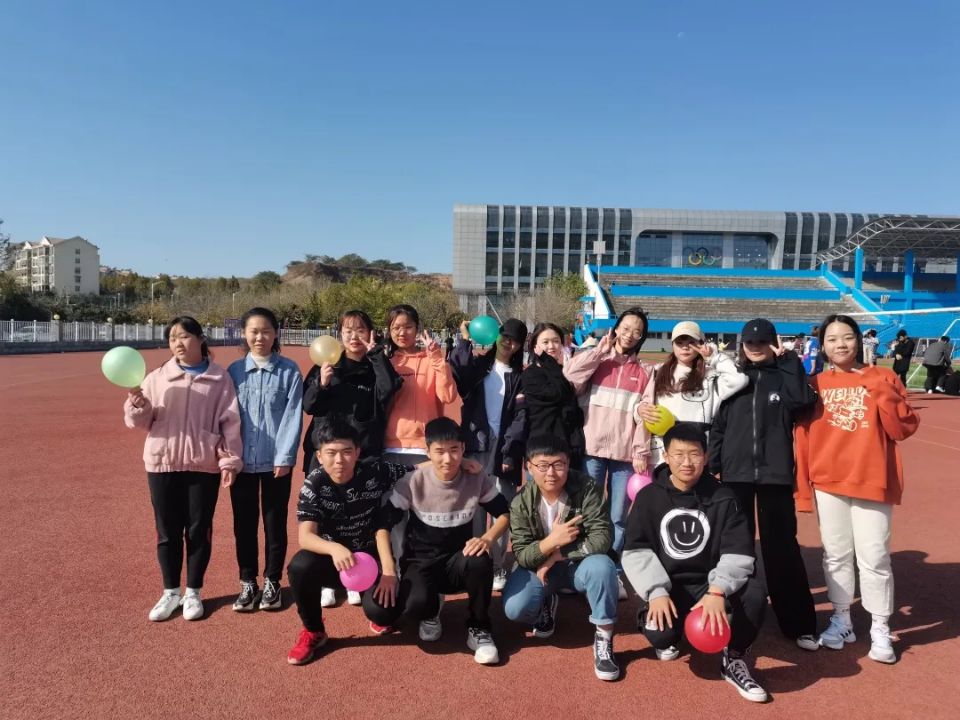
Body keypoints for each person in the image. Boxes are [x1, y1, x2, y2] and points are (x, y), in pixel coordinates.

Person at [795, 315, 920, 664]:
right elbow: (802, 439)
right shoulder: (814, 384)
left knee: (874, 557)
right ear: (823, 345)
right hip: (828, 482)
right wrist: (803, 489)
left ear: (859, 340)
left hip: (871, 479)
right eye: (832, 339)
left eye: (847, 337)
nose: (841, 344)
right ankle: (842, 620)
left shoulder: (884, 377)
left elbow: (903, 428)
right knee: (835, 555)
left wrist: (878, 388)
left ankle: (880, 627)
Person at [623, 424, 768, 703]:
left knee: (754, 593)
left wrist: (717, 591)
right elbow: (636, 550)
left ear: (705, 456)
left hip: (709, 584)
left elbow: (739, 551)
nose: (687, 462)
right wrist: (656, 592)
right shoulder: (649, 497)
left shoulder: (724, 497)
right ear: (666, 456)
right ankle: (666, 628)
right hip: (669, 586)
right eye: (678, 454)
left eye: (694, 454)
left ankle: (734, 657)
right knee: (660, 635)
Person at [708, 318, 820, 651]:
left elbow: (803, 401)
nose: (755, 348)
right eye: (749, 343)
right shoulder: (735, 380)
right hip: (735, 474)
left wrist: (789, 361)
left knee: (781, 547)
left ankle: (799, 624)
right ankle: (736, 613)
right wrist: (715, 464)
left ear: (774, 344)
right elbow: (719, 425)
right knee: (734, 545)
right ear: (742, 345)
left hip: (775, 474)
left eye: (762, 343)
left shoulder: (784, 376)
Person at [124, 316, 243, 622]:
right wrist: (137, 405)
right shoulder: (157, 377)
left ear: (201, 339)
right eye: (173, 338)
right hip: (162, 463)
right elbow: (140, 422)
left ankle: (193, 592)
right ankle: (170, 592)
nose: (178, 343)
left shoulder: (219, 379)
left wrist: (230, 460)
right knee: (167, 532)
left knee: (199, 531)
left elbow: (230, 422)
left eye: (185, 336)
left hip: (203, 465)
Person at [367, 418, 509, 665]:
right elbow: (382, 526)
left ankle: (479, 628)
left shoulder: (476, 478)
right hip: (420, 563)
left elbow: (504, 513)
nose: (447, 458)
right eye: (440, 451)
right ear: (428, 451)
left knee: (480, 560)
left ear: (463, 449)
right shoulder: (412, 481)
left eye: (454, 450)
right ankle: (430, 610)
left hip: (457, 561)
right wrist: (389, 571)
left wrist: (487, 538)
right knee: (403, 608)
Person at [285, 417, 413, 665]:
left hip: (370, 561)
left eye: (346, 452)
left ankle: (376, 611)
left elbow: (420, 469)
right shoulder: (314, 484)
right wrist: (334, 548)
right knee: (300, 567)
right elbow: (305, 537)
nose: (339, 460)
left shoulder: (375, 471)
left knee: (385, 614)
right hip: (333, 561)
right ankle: (314, 631)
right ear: (319, 456)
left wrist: (459, 461)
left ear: (357, 452)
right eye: (331, 453)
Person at [502, 436, 620, 681]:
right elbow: (522, 554)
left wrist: (556, 555)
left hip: (578, 565)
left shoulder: (586, 487)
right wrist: (551, 541)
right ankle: (546, 601)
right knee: (515, 608)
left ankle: (604, 637)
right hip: (539, 568)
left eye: (558, 464)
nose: (551, 473)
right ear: (529, 467)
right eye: (543, 465)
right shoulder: (521, 501)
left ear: (568, 464)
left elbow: (602, 537)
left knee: (603, 567)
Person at [564, 307, 654, 598]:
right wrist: (597, 352)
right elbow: (569, 375)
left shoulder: (645, 372)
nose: (630, 335)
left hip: (625, 454)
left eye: (637, 331)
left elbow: (646, 416)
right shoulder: (597, 360)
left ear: (642, 337)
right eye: (626, 328)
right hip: (592, 448)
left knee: (617, 516)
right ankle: (583, 563)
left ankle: (612, 570)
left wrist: (641, 451)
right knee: (587, 511)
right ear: (616, 329)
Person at [227, 307, 304, 612]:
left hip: (275, 462)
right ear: (244, 334)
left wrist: (284, 456)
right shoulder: (233, 372)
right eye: (254, 331)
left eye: (266, 331)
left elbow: (292, 416)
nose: (260, 337)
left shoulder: (289, 371)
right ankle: (247, 582)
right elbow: (226, 417)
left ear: (276, 334)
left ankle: (272, 581)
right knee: (243, 524)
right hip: (242, 462)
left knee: (274, 523)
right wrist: (229, 456)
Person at [449, 317, 528, 591]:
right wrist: (464, 340)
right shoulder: (479, 365)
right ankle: (474, 561)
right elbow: (458, 372)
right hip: (476, 442)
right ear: (496, 335)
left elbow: (520, 418)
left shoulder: (520, 377)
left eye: (515, 340)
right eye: (505, 336)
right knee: (473, 506)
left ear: (520, 345)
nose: (508, 343)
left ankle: (496, 565)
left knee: (501, 506)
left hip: (505, 446)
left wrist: (509, 452)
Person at [636, 321, 747, 467]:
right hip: (662, 455)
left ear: (701, 344)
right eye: (679, 342)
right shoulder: (657, 372)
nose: (685, 347)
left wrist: (714, 357)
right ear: (672, 345)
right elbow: (639, 403)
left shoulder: (711, 376)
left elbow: (739, 379)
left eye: (691, 342)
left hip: (695, 455)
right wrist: (639, 409)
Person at [382, 304, 459, 464]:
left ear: (417, 328)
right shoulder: (386, 364)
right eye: (396, 328)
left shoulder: (432, 361)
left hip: (427, 445)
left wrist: (437, 359)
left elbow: (448, 396)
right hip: (391, 446)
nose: (402, 333)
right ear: (389, 331)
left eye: (408, 327)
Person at [521, 322, 585, 467]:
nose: (552, 346)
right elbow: (557, 393)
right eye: (545, 342)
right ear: (535, 346)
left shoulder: (563, 371)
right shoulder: (530, 374)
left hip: (568, 450)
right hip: (542, 452)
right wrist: (547, 360)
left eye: (556, 341)